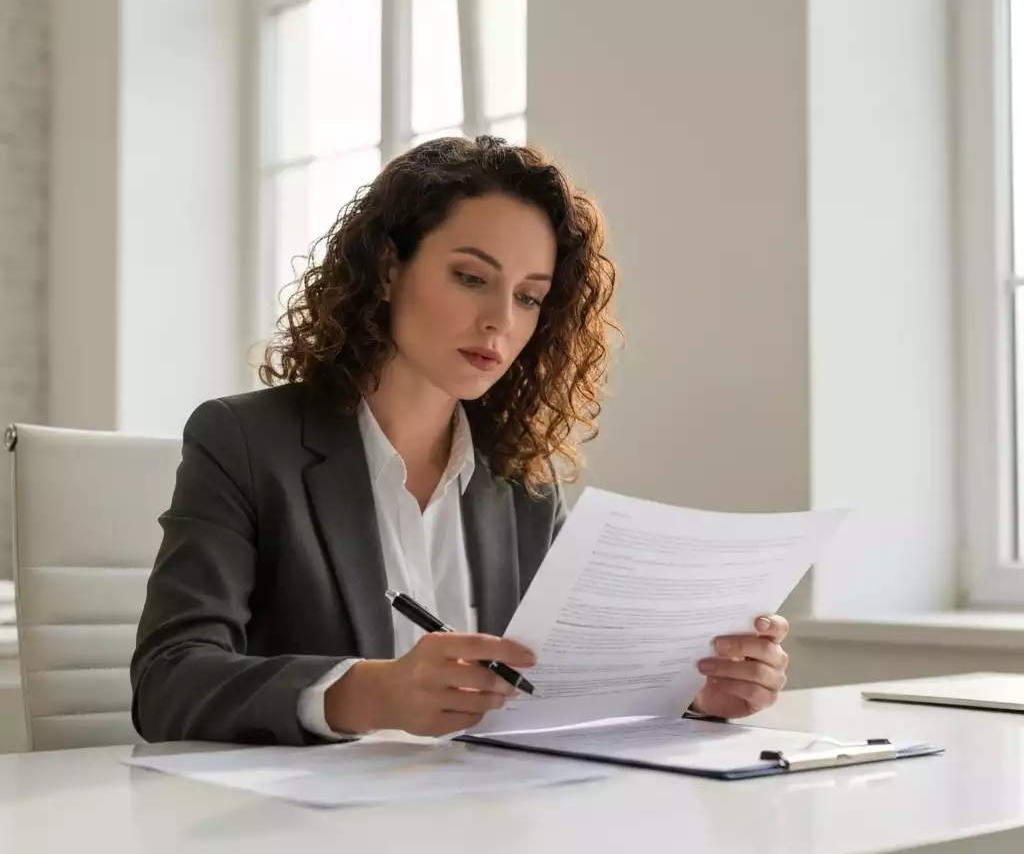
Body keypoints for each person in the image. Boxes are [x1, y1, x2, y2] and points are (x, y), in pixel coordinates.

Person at [130, 135, 789, 745]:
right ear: (388, 271)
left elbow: (555, 693)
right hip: (304, 841)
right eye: (472, 278)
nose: (499, 320)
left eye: (529, 297)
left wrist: (697, 695)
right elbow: (167, 681)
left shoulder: (521, 482)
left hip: (480, 830)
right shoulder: (244, 440)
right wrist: (370, 693)